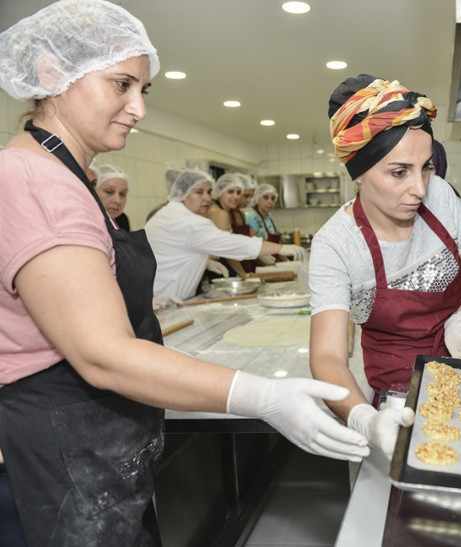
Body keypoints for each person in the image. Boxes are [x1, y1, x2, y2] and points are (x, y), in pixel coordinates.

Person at [0, 2, 367, 544]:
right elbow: (102, 352)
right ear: (53, 74)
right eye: (121, 84)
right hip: (62, 454)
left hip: (93, 445)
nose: (138, 108)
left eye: (141, 90)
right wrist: (262, 395)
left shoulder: (65, 176)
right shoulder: (35, 181)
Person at [309, 74, 461, 460]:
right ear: (359, 173)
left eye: (426, 167)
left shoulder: (441, 196)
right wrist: (364, 417)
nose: (421, 188)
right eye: (399, 172)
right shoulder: (336, 244)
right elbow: (327, 356)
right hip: (399, 385)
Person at [146, 169, 307, 300]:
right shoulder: (190, 222)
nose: (207, 198)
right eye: (199, 192)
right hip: (162, 297)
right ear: (181, 193)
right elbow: (234, 244)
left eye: (209, 192)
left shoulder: (170, 213)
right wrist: (280, 248)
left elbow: (174, 249)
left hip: (159, 295)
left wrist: (204, 261)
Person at [207, 172, 259, 276]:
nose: (235, 197)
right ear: (219, 192)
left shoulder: (221, 210)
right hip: (219, 269)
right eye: (230, 192)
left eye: (239, 192)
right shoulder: (220, 213)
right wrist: (243, 275)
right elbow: (227, 250)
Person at [92, 163, 131, 230]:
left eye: (122, 194)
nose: (117, 200)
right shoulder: (86, 222)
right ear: (93, 192)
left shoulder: (122, 220)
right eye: (109, 192)